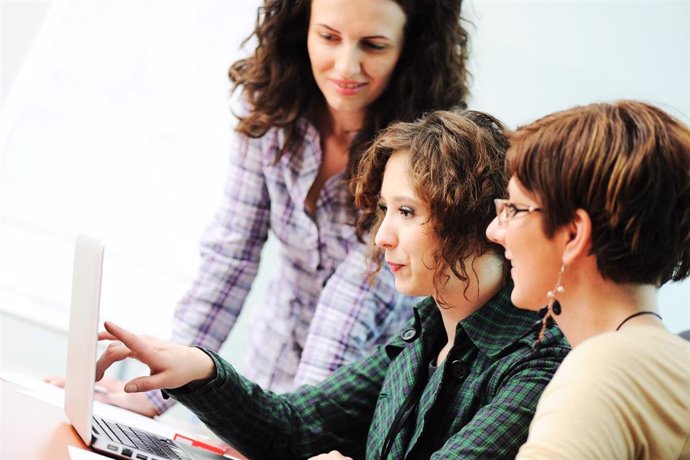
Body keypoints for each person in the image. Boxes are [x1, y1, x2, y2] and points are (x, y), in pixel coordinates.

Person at [95, 110, 569, 459]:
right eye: (385, 210)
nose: (383, 237)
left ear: (473, 218)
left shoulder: (539, 363)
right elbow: (292, 428)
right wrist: (196, 370)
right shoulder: (422, 339)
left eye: (407, 212)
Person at [76, 0, 472, 417]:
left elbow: (355, 297)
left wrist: (297, 429)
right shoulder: (271, 107)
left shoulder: (424, 152)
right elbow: (232, 252)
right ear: (301, 26)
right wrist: (152, 391)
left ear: (411, 46)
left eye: (373, 45)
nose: (345, 66)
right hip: (272, 361)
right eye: (329, 37)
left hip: (364, 398)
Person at [486, 100, 690, 459]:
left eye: (514, 209)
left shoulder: (601, 371)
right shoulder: (674, 362)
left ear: (573, 233)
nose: (494, 231)